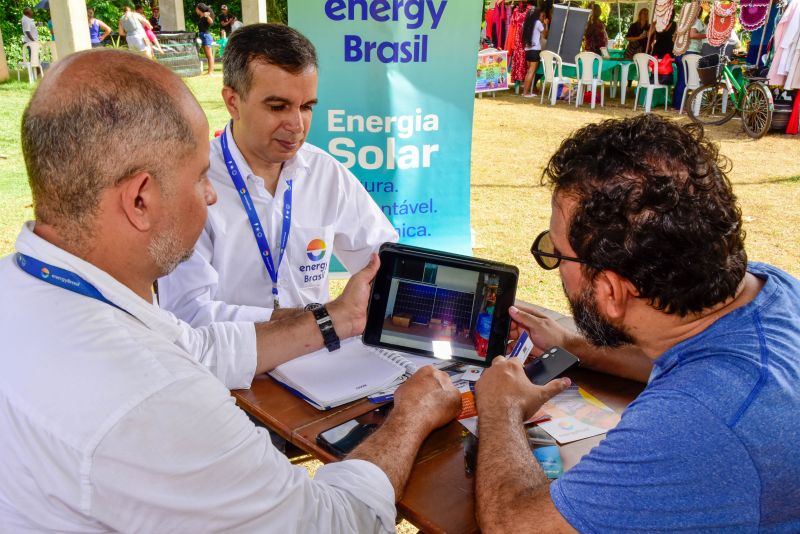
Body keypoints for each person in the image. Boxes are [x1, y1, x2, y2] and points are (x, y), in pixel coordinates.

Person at [0, 48, 462, 532]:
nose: (212, 193)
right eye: (200, 176)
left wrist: (337, 319)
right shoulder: (157, 402)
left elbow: (196, 347)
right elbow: (337, 524)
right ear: (140, 199)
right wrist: (411, 416)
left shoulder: (28, 287)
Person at [474, 114, 800, 532]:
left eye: (556, 253)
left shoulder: (694, 422)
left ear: (611, 291)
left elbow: (514, 526)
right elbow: (693, 365)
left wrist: (501, 408)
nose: (553, 266)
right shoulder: (764, 287)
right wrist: (574, 346)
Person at [158, 24, 398, 327]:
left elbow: (383, 262)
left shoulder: (324, 172)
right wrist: (310, 321)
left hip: (316, 358)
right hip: (231, 369)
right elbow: (187, 314)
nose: (297, 125)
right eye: (278, 107)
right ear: (233, 102)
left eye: (307, 107)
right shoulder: (190, 182)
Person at [521, 7, 548, 98]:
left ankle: (526, 91)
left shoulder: (526, 23)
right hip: (535, 50)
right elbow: (545, 35)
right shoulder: (538, 23)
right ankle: (526, 93)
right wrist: (546, 24)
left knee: (529, 72)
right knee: (531, 72)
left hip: (527, 50)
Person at [196, 3, 214, 75]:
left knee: (209, 55)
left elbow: (211, 22)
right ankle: (209, 71)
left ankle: (211, 72)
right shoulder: (201, 16)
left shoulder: (205, 15)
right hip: (203, 36)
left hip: (206, 36)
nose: (196, 10)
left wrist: (206, 15)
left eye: (196, 9)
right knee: (207, 55)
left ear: (199, 9)